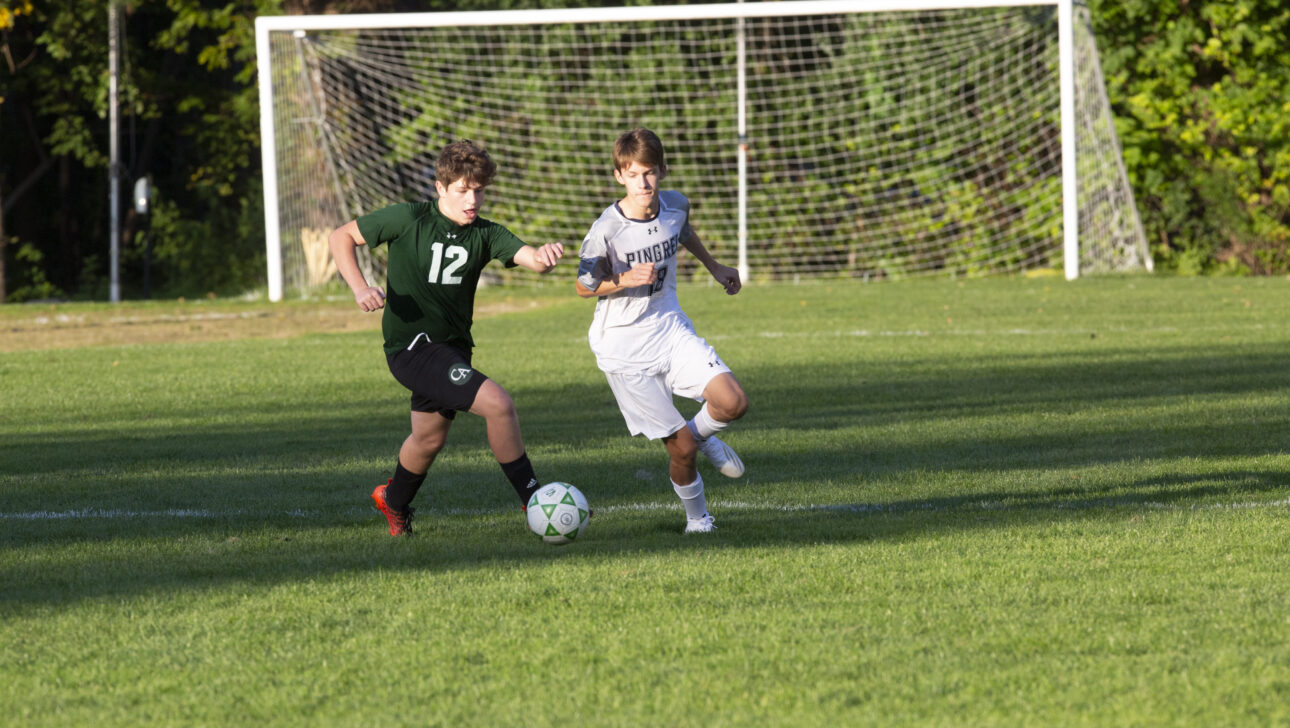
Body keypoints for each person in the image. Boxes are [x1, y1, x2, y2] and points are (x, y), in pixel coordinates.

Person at [329, 140, 564, 536]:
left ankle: (393, 501)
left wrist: (545, 254)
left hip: (452, 349)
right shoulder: (409, 218)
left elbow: (533, 260)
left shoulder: (486, 234)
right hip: (412, 347)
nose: (472, 199)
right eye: (462, 190)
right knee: (499, 404)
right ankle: (538, 502)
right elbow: (341, 237)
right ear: (440, 188)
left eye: (479, 190)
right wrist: (359, 287)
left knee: (428, 438)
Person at [575, 127, 749, 534]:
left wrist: (715, 267)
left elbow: (682, 232)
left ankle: (701, 434)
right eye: (633, 174)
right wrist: (624, 278)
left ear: (662, 171)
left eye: (649, 173)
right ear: (620, 176)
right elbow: (583, 286)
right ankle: (699, 520)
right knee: (681, 449)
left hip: (669, 327)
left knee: (733, 402)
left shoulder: (675, 206)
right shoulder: (606, 230)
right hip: (623, 347)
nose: (643, 183)